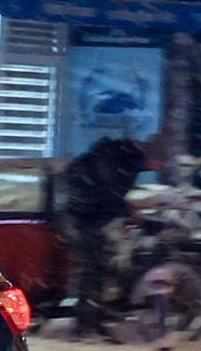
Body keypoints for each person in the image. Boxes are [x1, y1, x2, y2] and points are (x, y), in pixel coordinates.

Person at [61, 135, 156, 338]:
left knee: (98, 268)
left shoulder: (116, 156)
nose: (155, 169)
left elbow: (113, 195)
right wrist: (139, 219)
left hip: (83, 210)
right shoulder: (125, 161)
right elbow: (113, 196)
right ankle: (86, 323)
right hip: (86, 214)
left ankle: (94, 317)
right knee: (94, 269)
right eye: (158, 163)